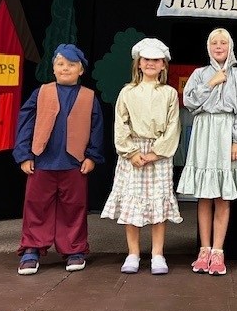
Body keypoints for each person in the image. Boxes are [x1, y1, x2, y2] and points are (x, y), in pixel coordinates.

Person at [13, 43, 105, 275]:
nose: (65, 69)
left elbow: (96, 128)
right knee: (36, 206)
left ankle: (74, 249)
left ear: (81, 70)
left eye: (71, 65)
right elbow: (25, 124)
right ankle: (32, 249)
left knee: (74, 207)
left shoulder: (89, 97)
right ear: (53, 67)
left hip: (74, 163)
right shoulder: (41, 92)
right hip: (42, 161)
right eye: (60, 64)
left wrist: (92, 156)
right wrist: (24, 154)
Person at [176, 27, 237, 276]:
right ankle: (204, 249)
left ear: (230, 46)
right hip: (204, 132)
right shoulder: (200, 74)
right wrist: (210, 83)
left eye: (223, 42)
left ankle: (218, 252)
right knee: (205, 196)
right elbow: (189, 101)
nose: (218, 46)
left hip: (226, 131)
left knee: (222, 195)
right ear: (208, 47)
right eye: (214, 42)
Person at [101, 38, 182, 275]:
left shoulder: (168, 93)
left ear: (163, 65)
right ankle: (133, 253)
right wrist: (132, 152)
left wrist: (156, 153)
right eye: (146, 59)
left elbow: (172, 125)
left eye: (156, 60)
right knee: (133, 203)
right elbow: (121, 123)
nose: (150, 63)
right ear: (138, 63)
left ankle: (158, 253)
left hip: (158, 154)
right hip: (133, 153)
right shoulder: (128, 92)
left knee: (159, 202)